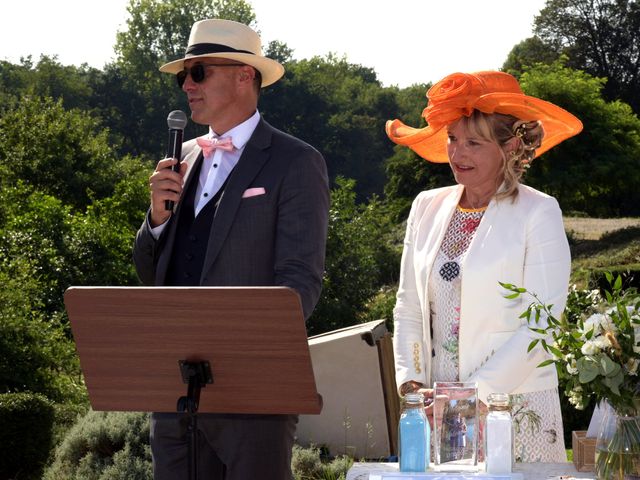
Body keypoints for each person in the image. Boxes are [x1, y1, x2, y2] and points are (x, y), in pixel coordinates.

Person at [132, 19, 329, 480]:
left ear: (245, 76)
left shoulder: (296, 162)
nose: (186, 84)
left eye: (198, 72)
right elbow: (153, 275)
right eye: (184, 75)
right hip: (176, 393)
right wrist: (157, 222)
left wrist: (243, 347)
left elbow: (300, 280)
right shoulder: (184, 158)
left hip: (254, 394)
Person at [386, 71, 582, 462]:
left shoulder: (539, 211)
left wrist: (469, 398)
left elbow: (542, 324)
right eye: (453, 140)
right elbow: (408, 308)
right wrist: (412, 386)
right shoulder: (425, 206)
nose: (457, 155)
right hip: (435, 412)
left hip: (513, 408)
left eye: (473, 143)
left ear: (510, 147)